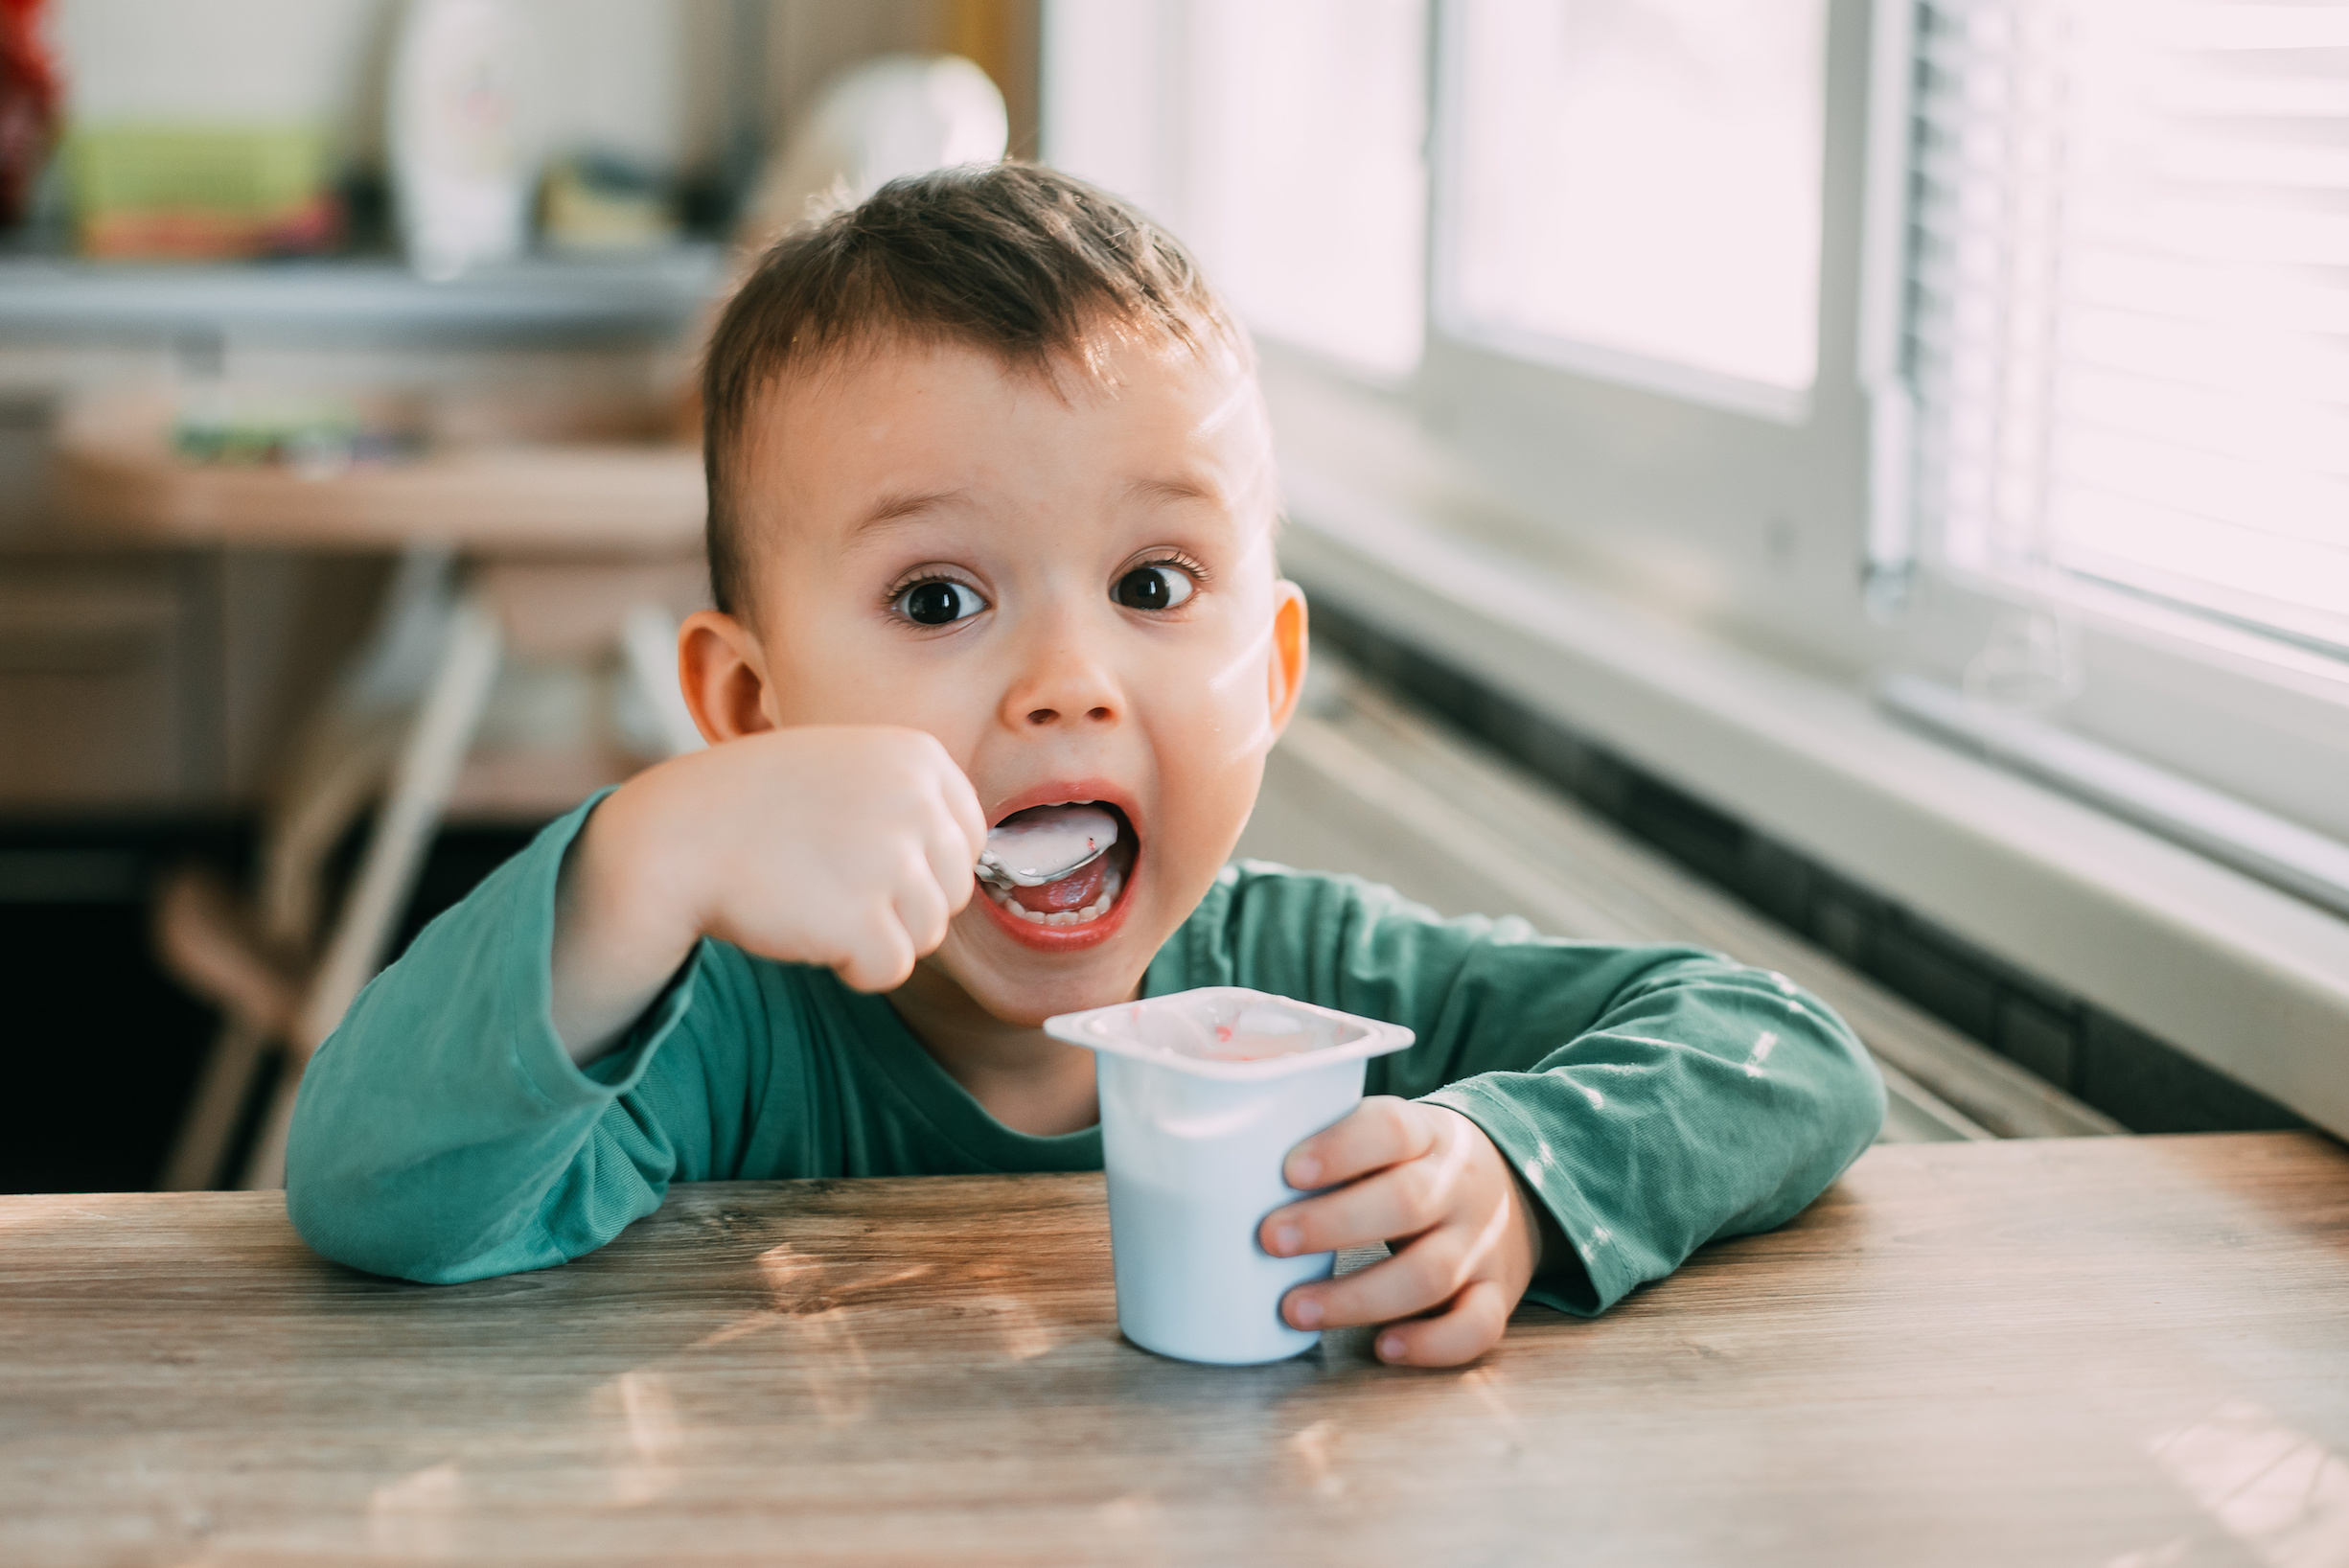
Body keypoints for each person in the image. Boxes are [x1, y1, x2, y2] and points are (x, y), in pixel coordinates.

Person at [287, 164, 1883, 1368]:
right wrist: (636, 863)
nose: (1066, 685)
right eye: (938, 599)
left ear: (1269, 676)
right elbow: (373, 1193)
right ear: (752, 710)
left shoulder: (1316, 984)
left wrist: (1516, 1171)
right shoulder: (716, 1032)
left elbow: (1789, 1052)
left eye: (1153, 587)